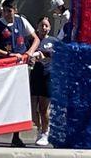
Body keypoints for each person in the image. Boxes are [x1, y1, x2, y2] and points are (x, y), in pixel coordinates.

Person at [0, 0, 40, 148]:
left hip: (20, 68)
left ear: (15, 10)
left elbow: (35, 38)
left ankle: (16, 136)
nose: (6, 13)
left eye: (9, 11)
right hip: (3, 66)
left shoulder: (22, 21)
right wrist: (7, 55)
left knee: (18, 102)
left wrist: (29, 52)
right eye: (4, 10)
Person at [30, 17, 57, 146]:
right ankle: (39, 129)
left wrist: (43, 56)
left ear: (50, 28)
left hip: (48, 76)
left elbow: (54, 55)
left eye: (46, 26)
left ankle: (45, 132)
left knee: (43, 108)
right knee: (32, 106)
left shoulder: (53, 41)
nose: (44, 28)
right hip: (35, 76)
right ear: (37, 27)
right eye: (42, 25)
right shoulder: (33, 40)